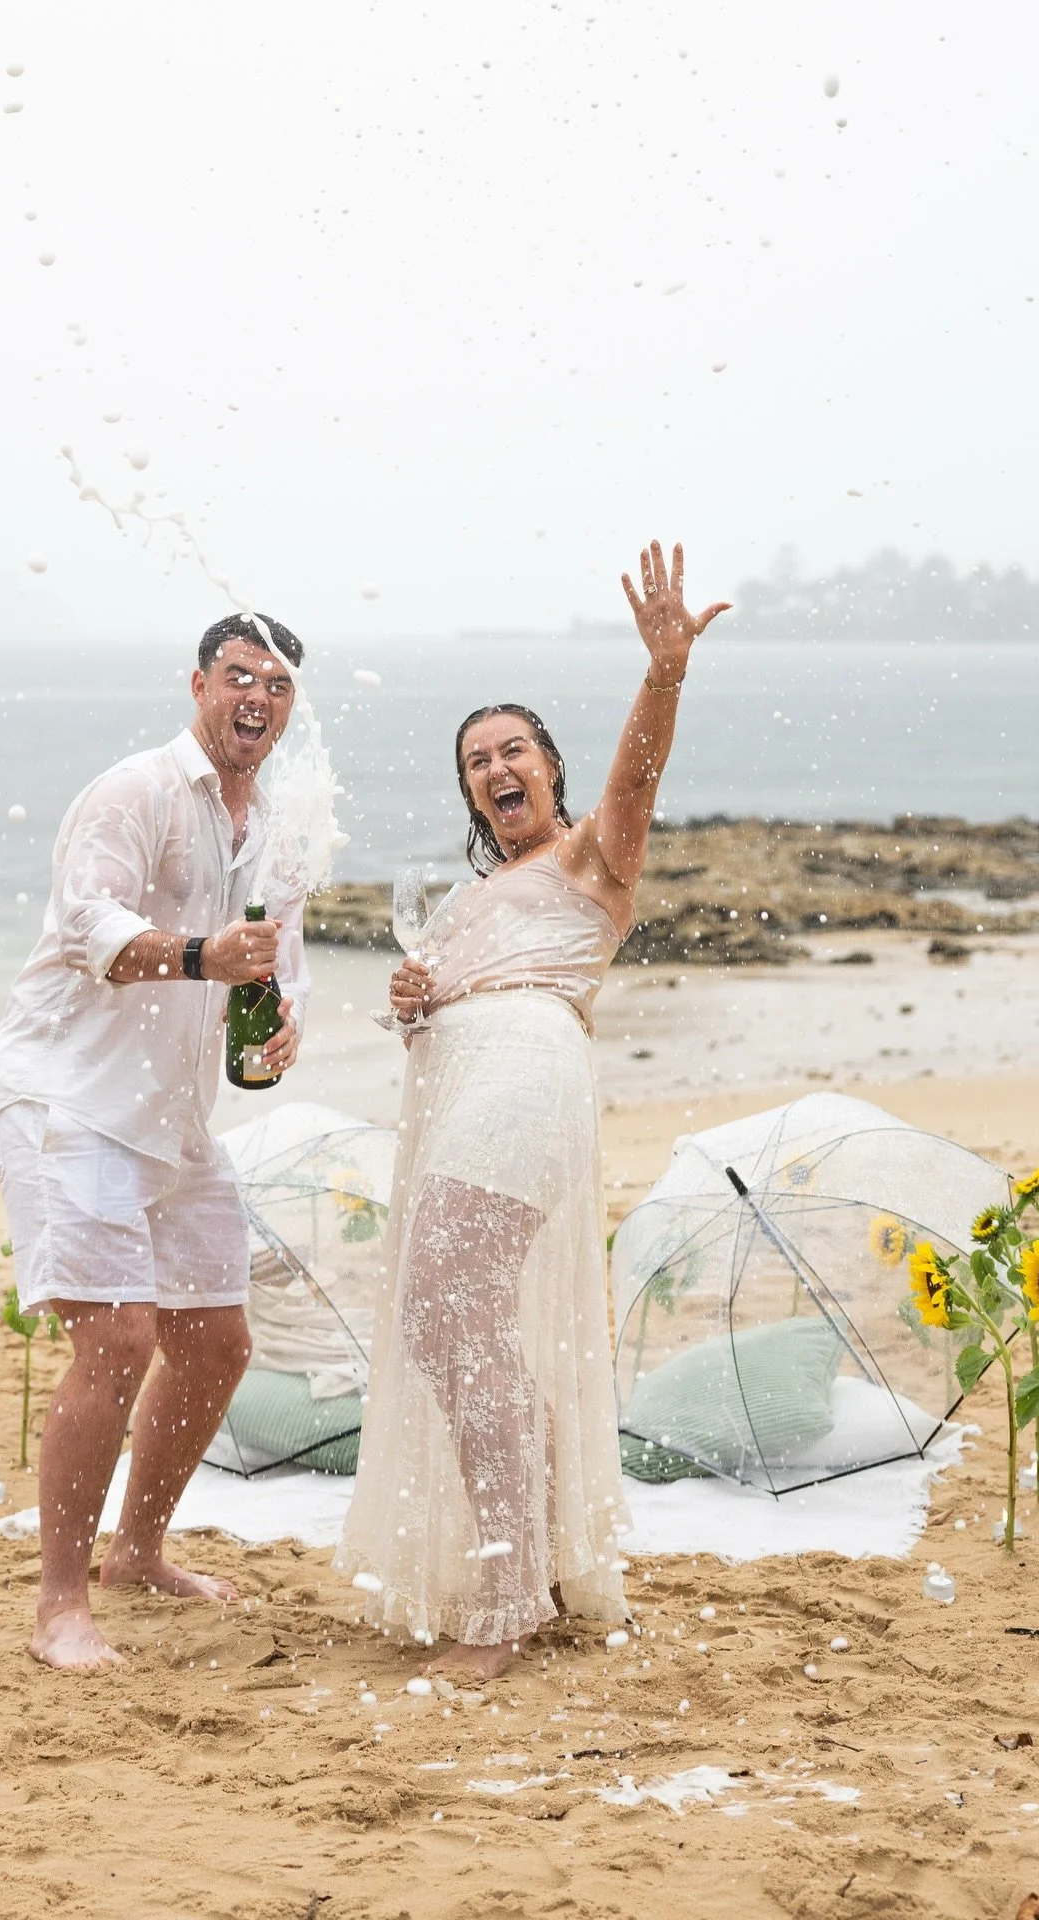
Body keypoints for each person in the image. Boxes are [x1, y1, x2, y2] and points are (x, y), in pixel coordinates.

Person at [334, 542, 729, 1680]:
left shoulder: (591, 860)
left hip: (528, 1082)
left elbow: (641, 780)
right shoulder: (467, 901)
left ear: (551, 769)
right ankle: (538, 1560)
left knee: (450, 1305)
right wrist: (414, 1000)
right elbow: (442, 1005)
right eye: (476, 762)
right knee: (450, 1321)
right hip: (467, 1085)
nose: (496, 768)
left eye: (513, 750)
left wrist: (663, 674)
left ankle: (506, 1598)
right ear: (467, 792)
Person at [0, 612, 310, 1673]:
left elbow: (273, 975)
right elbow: (90, 930)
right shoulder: (137, 791)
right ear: (200, 686)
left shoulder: (277, 829)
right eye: (238, 676)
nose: (256, 697)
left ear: (291, 706)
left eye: (277, 685)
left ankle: (139, 1553)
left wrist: (286, 1026)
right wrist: (205, 953)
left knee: (216, 1343)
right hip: (63, 1099)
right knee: (117, 1339)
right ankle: (60, 1608)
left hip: (171, 1121)